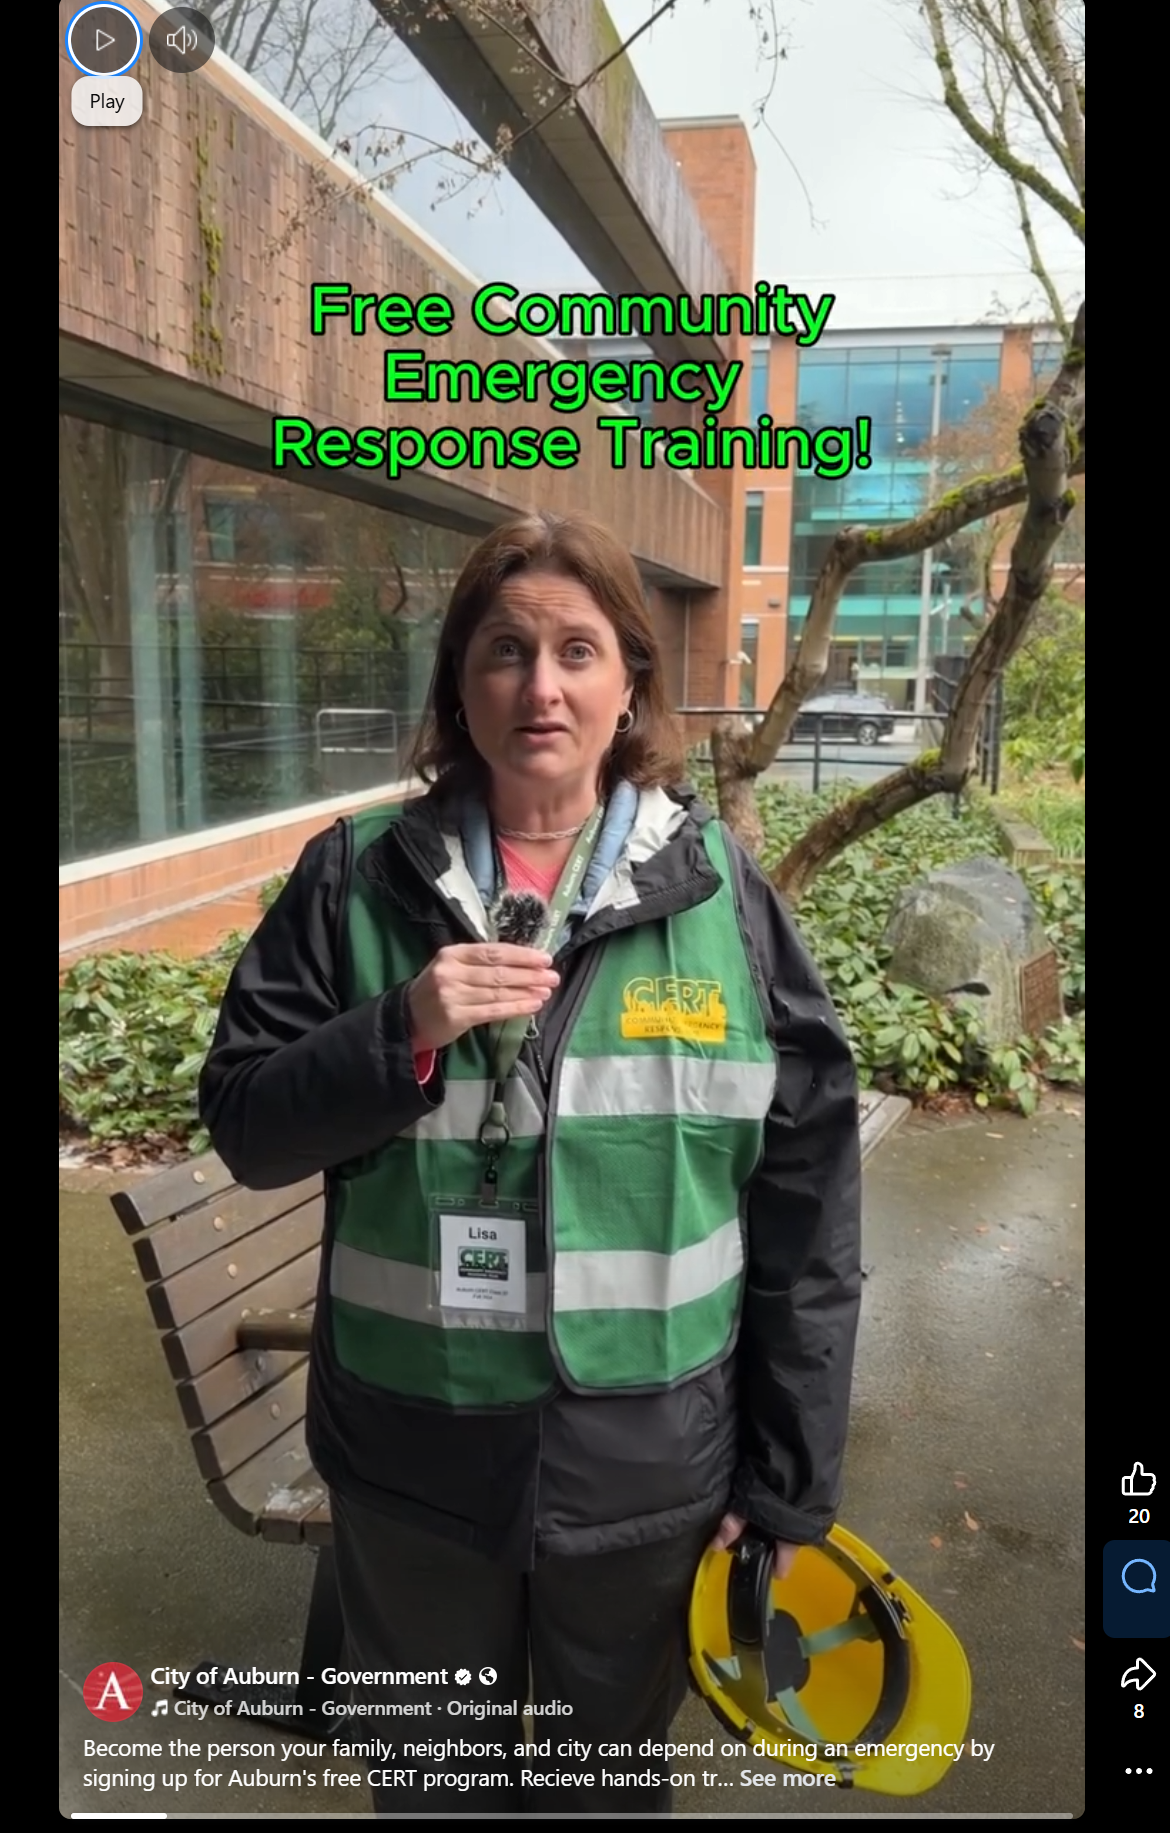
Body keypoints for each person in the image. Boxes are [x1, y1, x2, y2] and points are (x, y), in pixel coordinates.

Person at [199, 509, 862, 1817]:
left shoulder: (724, 901)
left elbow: (808, 1218)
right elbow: (247, 1126)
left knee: (601, 1787)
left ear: (630, 685)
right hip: (413, 1463)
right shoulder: (352, 882)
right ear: (459, 682)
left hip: (646, 1473)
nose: (540, 685)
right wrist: (399, 1029)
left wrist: (789, 1483)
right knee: (433, 1785)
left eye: (576, 650)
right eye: (504, 650)